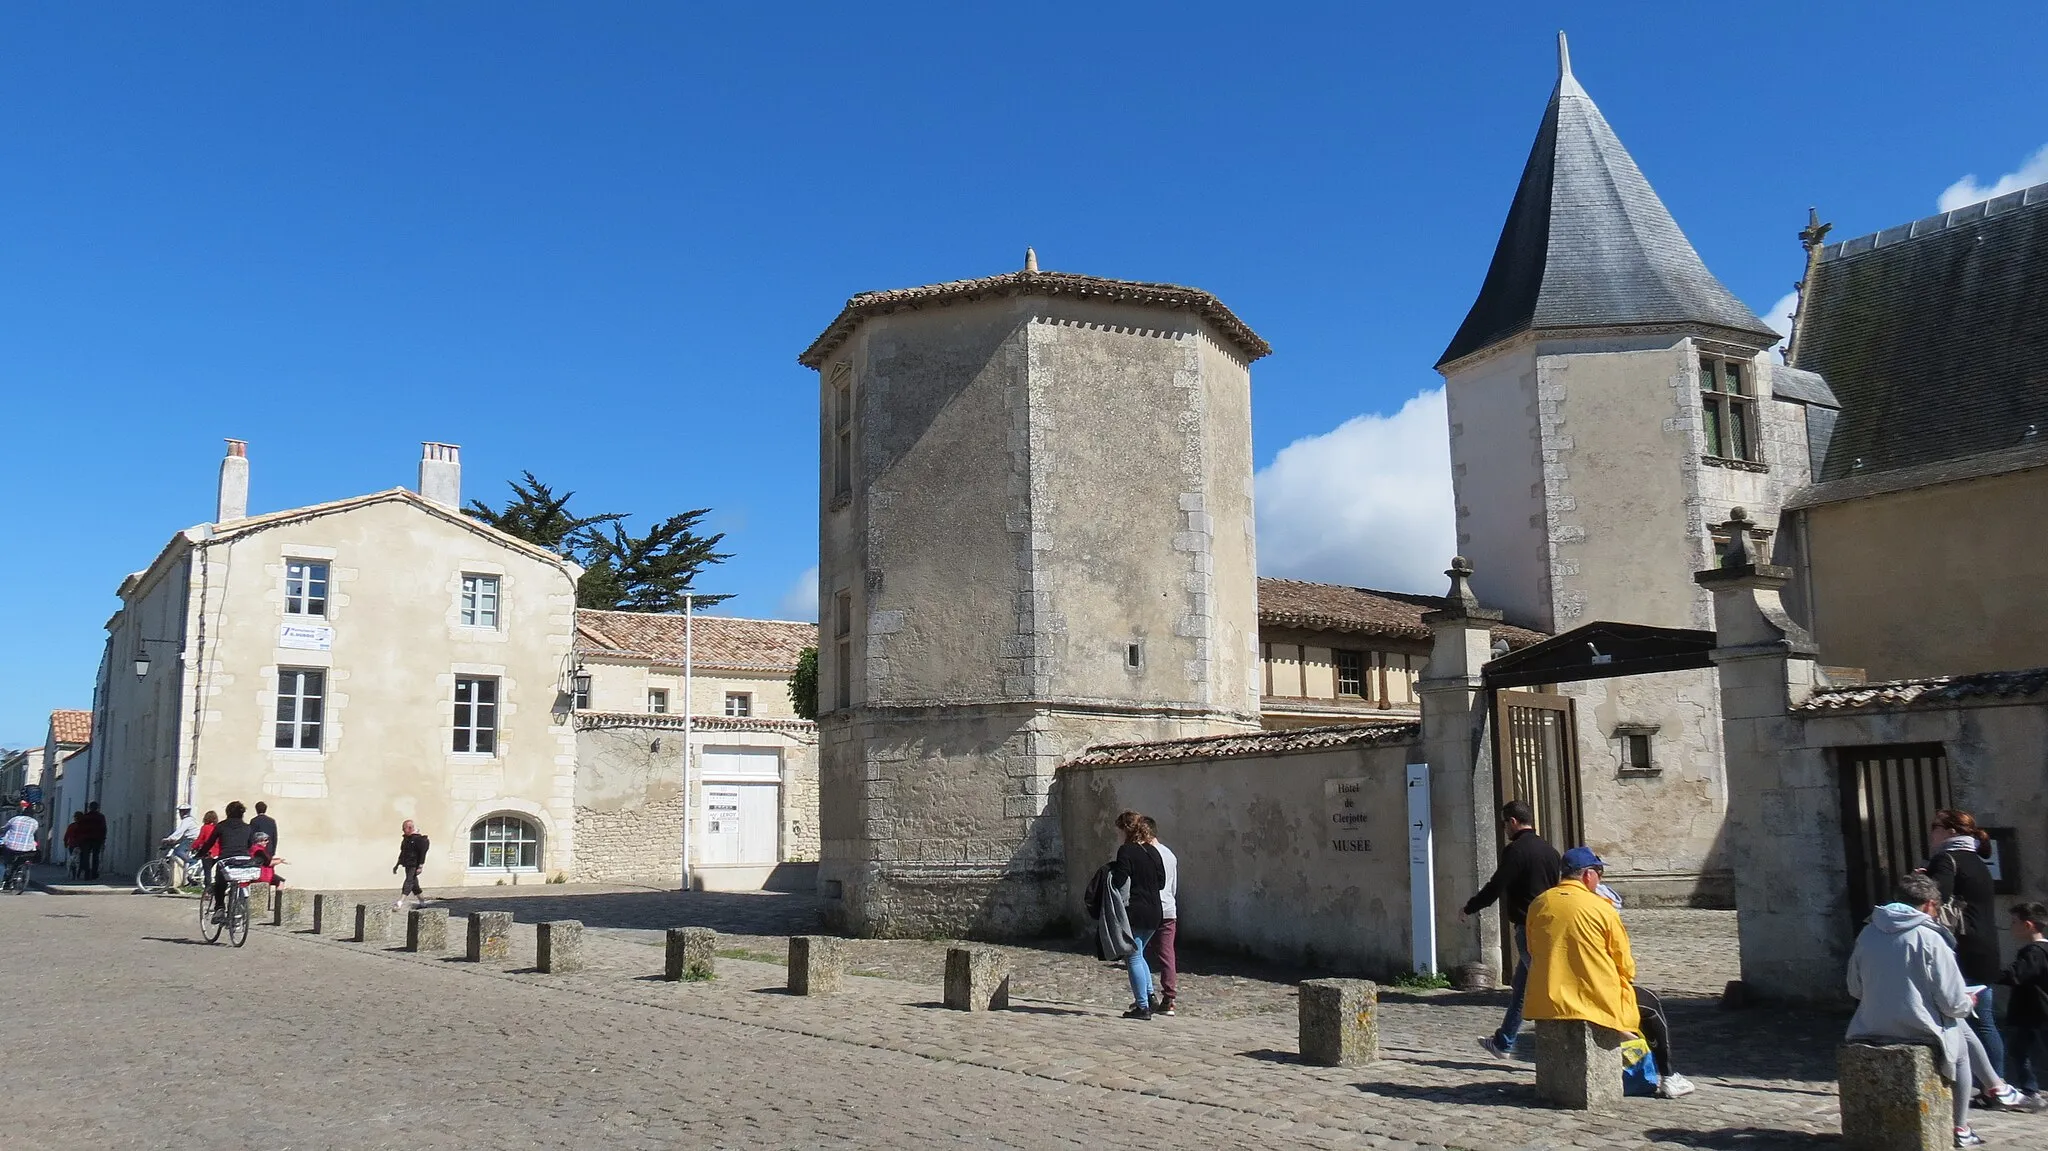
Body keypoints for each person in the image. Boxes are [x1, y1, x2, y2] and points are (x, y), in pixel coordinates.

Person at [1848, 873, 2032, 1147]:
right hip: (1916, 1028)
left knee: (1958, 1027)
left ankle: (1997, 1087)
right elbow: (1951, 1001)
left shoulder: (1868, 932)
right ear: (1931, 905)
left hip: (1870, 1024)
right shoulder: (1931, 938)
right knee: (1959, 1047)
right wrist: (1968, 1002)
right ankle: (1961, 1127)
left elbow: (1855, 988)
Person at [1461, 800, 1563, 1059]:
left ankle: (1564, 1046)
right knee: (1522, 986)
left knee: (1545, 985)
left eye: (1505, 822)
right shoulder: (1550, 851)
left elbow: (1496, 886)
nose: (1504, 828)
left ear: (1513, 822)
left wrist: (1470, 908)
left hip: (1527, 929)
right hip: (1549, 925)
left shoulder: (1516, 851)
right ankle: (1504, 1041)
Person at [1924, 809, 2007, 1086]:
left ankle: (1980, 1083)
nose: (1931, 832)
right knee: (1985, 1021)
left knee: (1960, 1021)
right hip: (1986, 948)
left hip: (1961, 949)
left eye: (1935, 827)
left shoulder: (1946, 860)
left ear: (1950, 832)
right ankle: (1995, 1082)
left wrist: (1920, 882)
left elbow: (1934, 900)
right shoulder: (1977, 860)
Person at [1591, 880, 1695, 1097]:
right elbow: (1625, 966)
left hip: (1560, 992)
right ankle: (1668, 1075)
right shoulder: (1602, 916)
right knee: (1649, 1003)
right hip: (1592, 996)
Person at [1108, 810, 1166, 1021]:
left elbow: (1120, 879)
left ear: (1125, 830)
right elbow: (1161, 882)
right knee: (1139, 954)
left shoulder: (1127, 851)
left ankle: (1142, 1005)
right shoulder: (1153, 851)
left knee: (1132, 955)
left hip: (1137, 909)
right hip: (1155, 910)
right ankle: (1149, 996)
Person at [1999, 901, 2048, 1105]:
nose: (2011, 926)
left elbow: (2017, 975)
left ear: (2028, 925)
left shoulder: (2033, 952)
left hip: (2032, 1011)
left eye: (2014, 922)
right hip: (2036, 1011)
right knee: (2019, 1049)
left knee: (2019, 1050)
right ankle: (2030, 1090)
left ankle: (2031, 1091)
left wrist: (1991, 974)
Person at [1140, 815, 1179, 1017]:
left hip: (1151, 907)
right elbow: (1173, 887)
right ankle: (1169, 997)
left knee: (1137, 951)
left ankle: (1146, 996)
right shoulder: (1170, 855)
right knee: (1166, 954)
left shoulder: (1146, 855)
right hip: (1168, 908)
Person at [205, 802, 256, 916]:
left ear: (227, 812)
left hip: (226, 860)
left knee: (220, 882)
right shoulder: (248, 827)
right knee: (241, 879)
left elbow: (210, 843)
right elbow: (250, 844)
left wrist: (200, 853)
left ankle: (219, 908)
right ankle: (239, 908)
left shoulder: (221, 826)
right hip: (243, 859)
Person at [394, 820, 430, 908]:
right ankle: (422, 903)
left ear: (410, 828)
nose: (403, 831)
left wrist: (420, 866)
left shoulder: (420, 840)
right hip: (407, 863)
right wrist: (397, 865)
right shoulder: (406, 840)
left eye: (404, 828)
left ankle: (400, 902)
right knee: (415, 885)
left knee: (409, 881)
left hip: (415, 864)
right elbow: (402, 852)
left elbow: (422, 853)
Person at [1, 802, 39, 878]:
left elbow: (5, 829)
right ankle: (15, 872)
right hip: (27, 848)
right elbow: (33, 833)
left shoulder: (15, 819)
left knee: (3, 862)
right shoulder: (35, 823)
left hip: (11, 846)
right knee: (19, 860)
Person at [162, 804, 197, 870]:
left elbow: (179, 832)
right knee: (178, 849)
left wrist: (169, 839)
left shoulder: (187, 820)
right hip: (189, 839)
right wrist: (175, 841)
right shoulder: (190, 820)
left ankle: (192, 862)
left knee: (178, 851)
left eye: (180, 812)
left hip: (191, 840)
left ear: (183, 812)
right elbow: (182, 834)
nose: (179, 814)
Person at [77, 801, 106, 880]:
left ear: (89, 808)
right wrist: (103, 839)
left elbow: (79, 829)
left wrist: (79, 840)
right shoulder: (100, 817)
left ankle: (87, 873)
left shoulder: (85, 817)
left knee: (86, 856)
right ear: (97, 808)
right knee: (95, 856)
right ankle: (94, 873)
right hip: (97, 839)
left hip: (85, 839)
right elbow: (103, 829)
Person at [63, 813, 83, 878]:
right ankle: (78, 874)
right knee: (80, 860)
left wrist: (65, 843)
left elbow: (66, 836)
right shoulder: (84, 826)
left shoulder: (71, 826)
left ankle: (74, 874)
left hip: (72, 845)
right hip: (81, 845)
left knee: (73, 860)